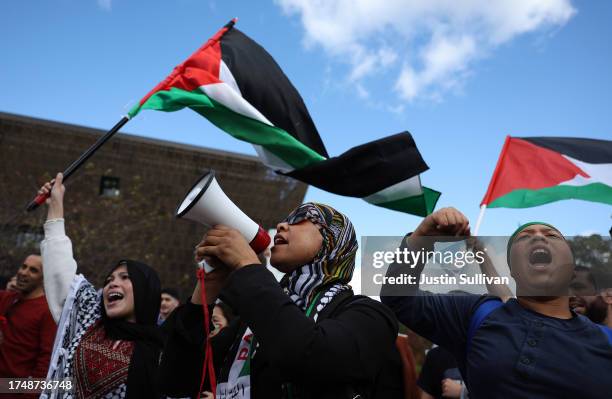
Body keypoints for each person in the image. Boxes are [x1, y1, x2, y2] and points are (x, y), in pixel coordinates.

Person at [161, 202, 403, 399]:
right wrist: (208, 288)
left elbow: (313, 357)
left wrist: (247, 266)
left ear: (333, 239)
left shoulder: (370, 315)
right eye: (286, 219)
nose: (282, 225)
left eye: (301, 218)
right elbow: (176, 380)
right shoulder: (251, 323)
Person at [381, 208, 612, 399]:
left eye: (551, 235)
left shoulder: (606, 341)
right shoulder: (475, 313)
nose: (539, 236)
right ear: (512, 270)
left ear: (572, 267)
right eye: (525, 236)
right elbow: (398, 298)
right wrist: (422, 238)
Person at [38, 173, 163, 398]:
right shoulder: (88, 318)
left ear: (146, 291)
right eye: (109, 280)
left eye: (125, 277)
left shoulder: (162, 351)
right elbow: (60, 269)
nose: (113, 283)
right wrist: (56, 204)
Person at [0, 255, 56, 380]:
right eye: (23, 266)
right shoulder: (7, 299)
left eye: (33, 270)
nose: (24, 273)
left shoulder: (47, 312)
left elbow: (46, 361)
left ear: (44, 278)